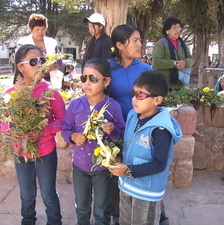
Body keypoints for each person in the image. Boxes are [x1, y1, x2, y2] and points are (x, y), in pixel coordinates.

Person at [108, 70, 182, 225]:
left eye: (141, 95)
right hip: (127, 186)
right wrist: (118, 155)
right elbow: (128, 143)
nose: (134, 99)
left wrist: (127, 170)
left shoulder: (161, 130)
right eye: (133, 93)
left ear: (157, 100)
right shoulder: (132, 115)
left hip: (146, 193)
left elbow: (159, 164)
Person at [2, 44, 65, 225]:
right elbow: (3, 122)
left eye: (41, 60)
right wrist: (13, 132)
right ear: (20, 67)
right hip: (20, 153)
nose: (39, 65)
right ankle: (27, 221)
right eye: (33, 61)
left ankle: (55, 222)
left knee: (48, 194)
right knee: (26, 195)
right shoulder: (11, 94)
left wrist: (42, 130)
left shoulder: (50, 92)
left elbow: (62, 120)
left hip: (45, 153)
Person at [61, 58, 125, 225]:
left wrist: (113, 130)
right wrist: (73, 136)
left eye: (93, 79)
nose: (87, 83)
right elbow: (65, 129)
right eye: (84, 78)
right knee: (81, 207)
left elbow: (122, 136)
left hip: (103, 167)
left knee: (101, 210)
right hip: (80, 166)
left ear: (106, 81)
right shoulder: (75, 105)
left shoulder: (113, 107)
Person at [15, 13, 63, 85]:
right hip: (30, 81)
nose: (40, 32)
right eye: (37, 30)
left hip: (50, 81)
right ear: (31, 29)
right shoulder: (23, 43)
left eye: (43, 30)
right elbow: (19, 62)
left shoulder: (52, 42)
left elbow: (59, 60)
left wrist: (54, 67)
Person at [152, 17, 194, 90]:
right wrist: (174, 64)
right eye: (175, 28)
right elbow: (156, 62)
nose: (178, 31)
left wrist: (185, 62)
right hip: (164, 85)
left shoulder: (182, 44)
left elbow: (191, 59)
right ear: (167, 30)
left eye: (179, 28)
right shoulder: (160, 44)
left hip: (181, 85)